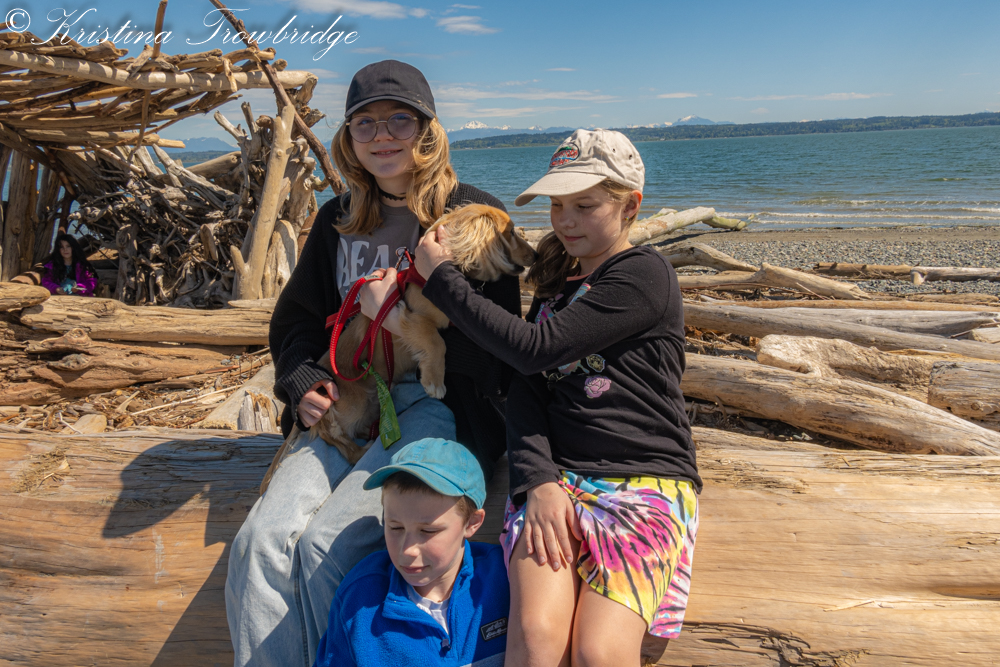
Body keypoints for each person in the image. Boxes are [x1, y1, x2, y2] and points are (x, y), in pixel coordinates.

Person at [225, 60, 521, 667]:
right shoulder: (338, 220)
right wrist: (301, 380)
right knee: (260, 542)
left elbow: (501, 349)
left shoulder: (474, 216)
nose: (382, 135)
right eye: (365, 123)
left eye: (399, 120)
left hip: (440, 408)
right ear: (348, 138)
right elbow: (295, 320)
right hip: (350, 398)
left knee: (329, 544)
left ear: (428, 130)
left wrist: (395, 318)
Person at [404, 129, 703, 666]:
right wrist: (538, 480)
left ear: (630, 206)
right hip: (556, 479)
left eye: (584, 206)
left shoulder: (643, 274)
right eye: (557, 205)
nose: (565, 220)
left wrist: (442, 277)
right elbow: (524, 387)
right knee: (537, 638)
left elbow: (534, 350)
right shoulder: (556, 287)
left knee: (597, 651)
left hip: (642, 479)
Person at [314, 438, 509, 667]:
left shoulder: (506, 579)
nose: (407, 550)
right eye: (395, 527)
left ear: (472, 523)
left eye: (427, 531)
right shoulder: (358, 600)